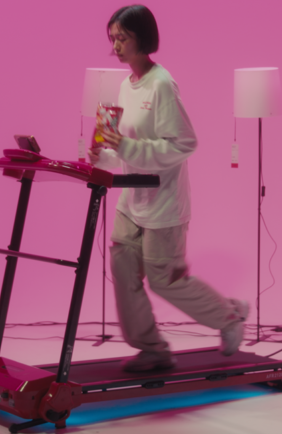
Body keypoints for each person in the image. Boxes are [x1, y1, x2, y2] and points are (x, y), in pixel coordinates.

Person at [89, 4, 248, 373]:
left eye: (123, 38)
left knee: (166, 281)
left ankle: (229, 316)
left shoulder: (161, 84)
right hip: (131, 201)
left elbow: (183, 144)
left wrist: (125, 147)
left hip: (163, 205)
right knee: (123, 270)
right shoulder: (124, 86)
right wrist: (104, 152)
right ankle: (152, 348)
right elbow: (122, 153)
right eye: (112, 38)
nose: (116, 45)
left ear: (143, 39)